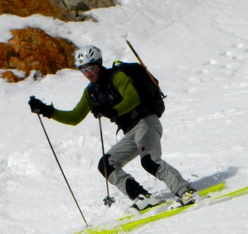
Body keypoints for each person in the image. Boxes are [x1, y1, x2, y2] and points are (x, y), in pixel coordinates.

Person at [28, 45, 199, 210]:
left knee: (149, 161)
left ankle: (187, 192)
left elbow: (133, 98)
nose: (88, 73)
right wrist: (46, 110)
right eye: (83, 70)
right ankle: (143, 197)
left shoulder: (117, 77)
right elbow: (74, 117)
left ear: (99, 64)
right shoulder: (91, 92)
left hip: (146, 123)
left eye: (90, 68)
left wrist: (110, 110)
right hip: (130, 132)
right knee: (106, 164)